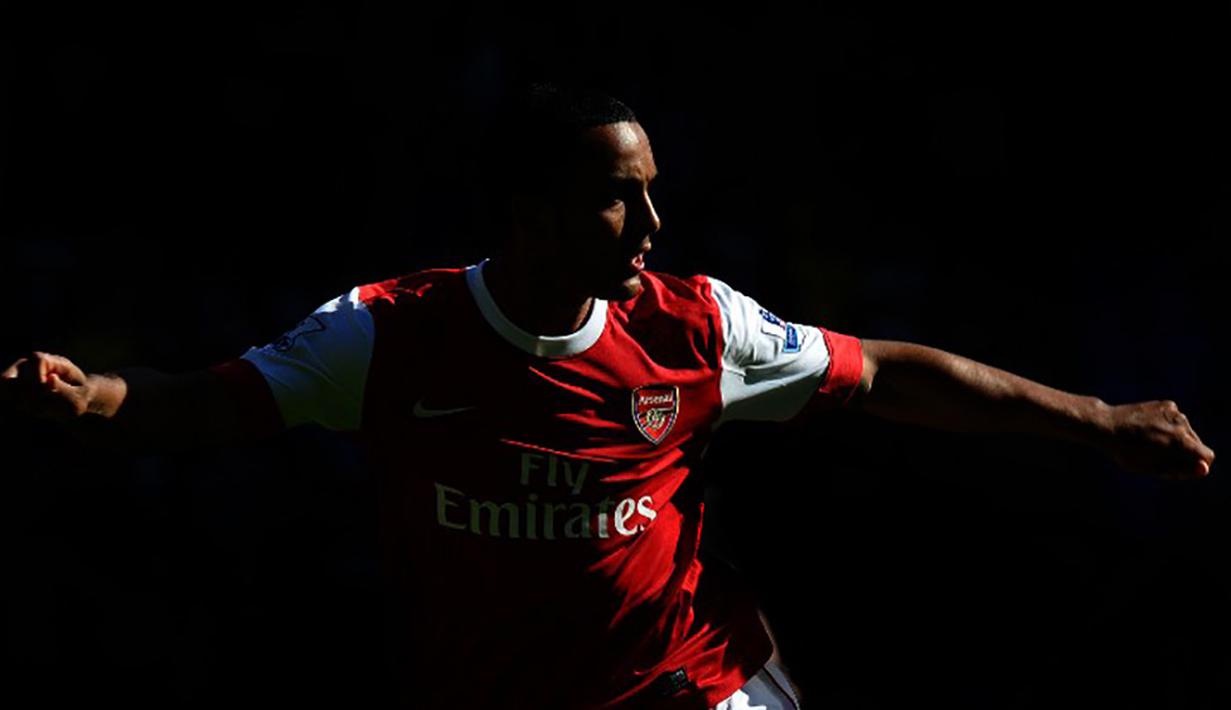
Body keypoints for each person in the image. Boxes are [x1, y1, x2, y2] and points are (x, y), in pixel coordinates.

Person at [0, 82, 1215, 709]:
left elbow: (888, 373)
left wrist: (1099, 419)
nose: (650, 220)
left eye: (649, 189)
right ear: (529, 213)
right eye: (616, 196)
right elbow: (201, 405)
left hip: (695, 678)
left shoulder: (695, 326)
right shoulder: (384, 336)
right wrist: (90, 394)